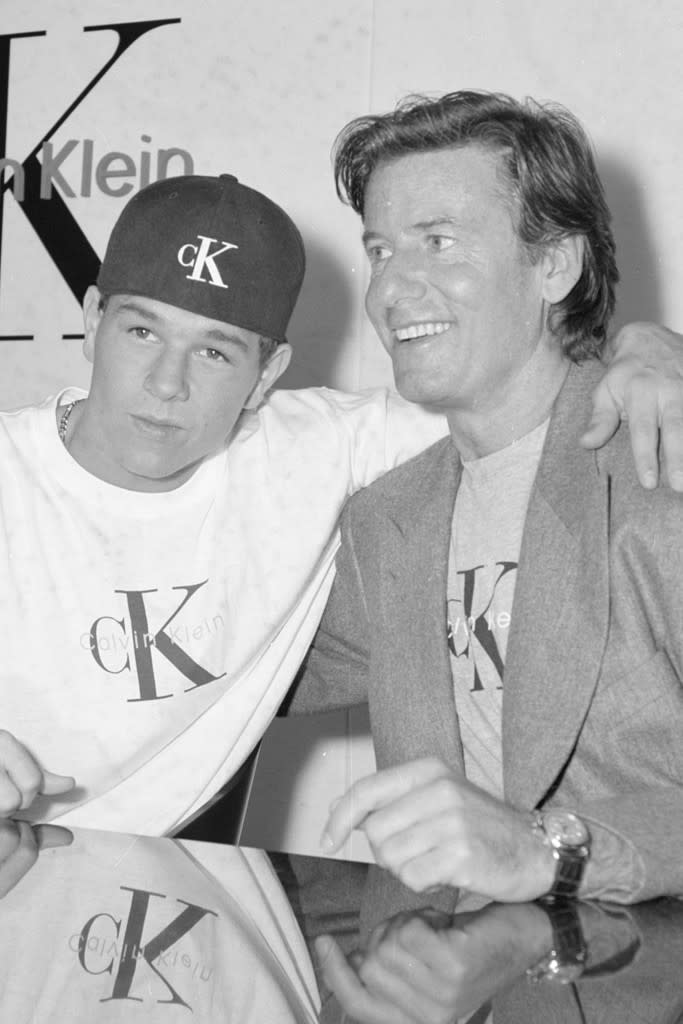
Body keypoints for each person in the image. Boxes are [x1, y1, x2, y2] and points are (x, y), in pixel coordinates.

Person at [0, 169, 680, 836]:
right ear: (92, 320)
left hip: (156, 892)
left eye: (213, 351)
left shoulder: (313, 448)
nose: (165, 383)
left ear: (266, 376)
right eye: (142, 332)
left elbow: (525, 390)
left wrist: (643, 347)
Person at [285, 91, 683, 1019]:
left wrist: (547, 848)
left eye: (439, 241)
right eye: (381, 249)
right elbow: (222, 677)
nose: (391, 288)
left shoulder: (662, 470)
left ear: (553, 264)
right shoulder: (389, 517)